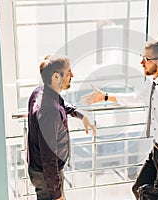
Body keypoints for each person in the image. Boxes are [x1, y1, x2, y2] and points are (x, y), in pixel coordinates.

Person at [81, 39, 158, 199]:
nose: (141, 62)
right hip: (157, 151)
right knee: (139, 189)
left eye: (146, 58)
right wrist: (104, 96)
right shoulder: (153, 81)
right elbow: (138, 98)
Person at [27, 55, 96, 200]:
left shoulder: (40, 92)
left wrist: (81, 115)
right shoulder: (50, 111)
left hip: (43, 171)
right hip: (47, 176)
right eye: (68, 72)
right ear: (56, 77)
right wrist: (57, 194)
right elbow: (48, 157)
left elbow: (62, 104)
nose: (72, 75)